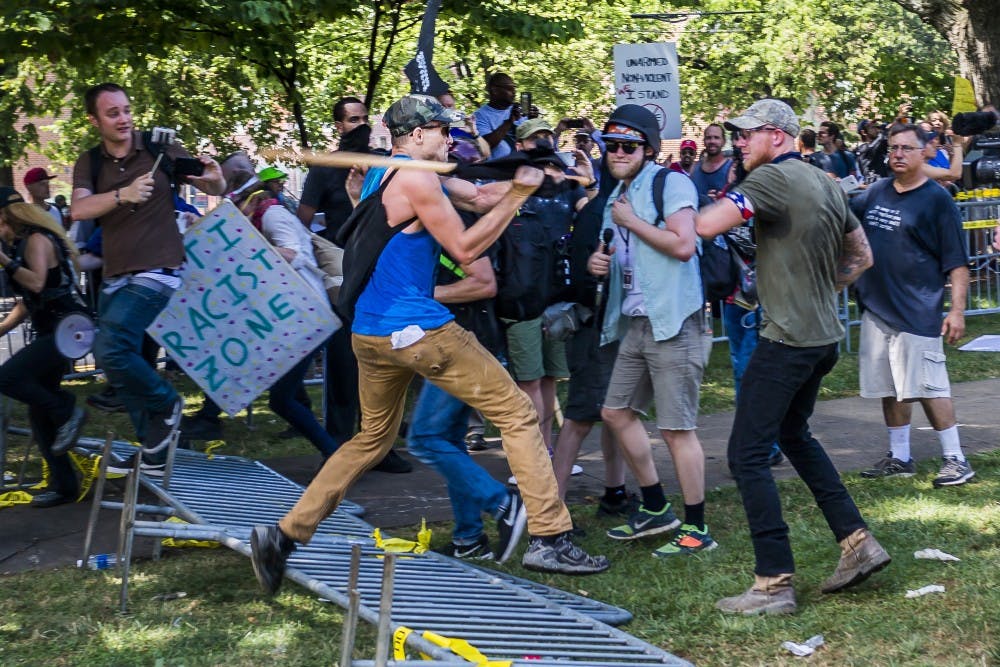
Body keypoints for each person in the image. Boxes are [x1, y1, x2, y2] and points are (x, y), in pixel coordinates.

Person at [249, 95, 608, 594]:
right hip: (418, 331)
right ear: (417, 136)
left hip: (370, 335)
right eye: (441, 131)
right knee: (517, 414)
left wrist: (531, 180)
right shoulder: (418, 178)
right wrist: (518, 198)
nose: (448, 139)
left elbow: (478, 197)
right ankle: (548, 536)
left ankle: (283, 536)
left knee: (370, 440)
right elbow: (466, 248)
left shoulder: (388, 172)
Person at [696, 99, 887, 615]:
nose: (738, 141)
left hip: (787, 341)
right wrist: (820, 292)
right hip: (823, 336)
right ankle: (858, 543)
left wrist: (701, 203)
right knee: (793, 435)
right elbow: (862, 255)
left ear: (776, 136)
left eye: (746, 134)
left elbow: (707, 225)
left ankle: (773, 583)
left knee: (746, 454)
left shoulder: (770, 182)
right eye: (735, 135)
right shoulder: (824, 180)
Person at [70, 83, 225, 473]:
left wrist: (215, 179)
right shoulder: (89, 161)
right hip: (116, 274)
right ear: (94, 120)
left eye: (126, 109)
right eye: (112, 113)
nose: (123, 119)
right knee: (121, 367)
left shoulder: (159, 149)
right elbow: (79, 209)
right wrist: (124, 194)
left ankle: (167, 402)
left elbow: (213, 185)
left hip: (159, 270)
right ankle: (154, 450)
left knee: (110, 348)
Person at [586, 105, 715, 557]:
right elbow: (607, 252)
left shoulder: (670, 183)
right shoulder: (617, 194)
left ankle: (698, 528)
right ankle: (658, 507)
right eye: (611, 145)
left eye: (628, 145)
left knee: (677, 428)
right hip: (637, 321)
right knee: (615, 412)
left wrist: (633, 223)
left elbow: (683, 245)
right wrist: (596, 262)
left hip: (675, 320)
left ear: (647, 149)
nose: (617, 152)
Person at [853, 124, 974, 487]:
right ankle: (900, 456)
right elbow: (842, 216)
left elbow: (957, 263)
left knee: (927, 387)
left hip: (917, 311)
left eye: (907, 148)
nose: (898, 154)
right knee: (890, 387)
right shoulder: (875, 192)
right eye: (893, 148)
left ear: (925, 154)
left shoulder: (938, 201)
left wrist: (956, 310)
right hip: (877, 310)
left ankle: (956, 459)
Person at [0, 187, 89, 507]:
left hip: (65, 329)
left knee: (7, 377)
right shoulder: (27, 243)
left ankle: (66, 407)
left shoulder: (37, 240)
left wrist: (3, 259)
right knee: (39, 416)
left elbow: (36, 282)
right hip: (53, 328)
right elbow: (30, 300)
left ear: (8, 219)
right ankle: (65, 487)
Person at [475, 73, 531, 159]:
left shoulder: (518, 110)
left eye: (514, 88)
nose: (514, 92)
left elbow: (534, 141)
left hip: (525, 165)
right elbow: (485, 145)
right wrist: (509, 122)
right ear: (495, 90)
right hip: (499, 169)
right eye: (509, 88)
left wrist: (533, 120)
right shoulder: (480, 115)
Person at [689, 124, 732, 206]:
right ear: (704, 141)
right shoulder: (694, 168)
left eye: (716, 137)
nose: (712, 141)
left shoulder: (731, 168)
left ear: (724, 141)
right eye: (708, 138)